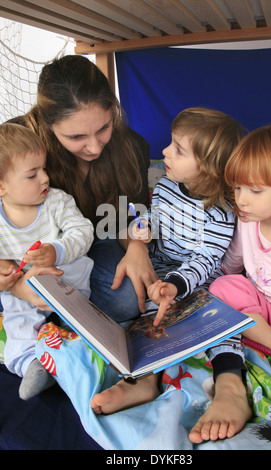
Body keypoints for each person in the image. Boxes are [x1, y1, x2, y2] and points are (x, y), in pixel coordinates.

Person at [90, 107, 253, 443]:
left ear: (207, 170)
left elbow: (207, 259)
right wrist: (142, 230)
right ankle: (145, 379)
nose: (164, 151)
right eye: (171, 144)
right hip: (162, 266)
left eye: (178, 149)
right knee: (149, 314)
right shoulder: (166, 183)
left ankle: (230, 386)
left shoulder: (220, 211)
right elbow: (151, 216)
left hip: (196, 278)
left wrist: (176, 286)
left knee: (218, 318)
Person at [6, 54, 156, 322]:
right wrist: (16, 285)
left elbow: (128, 216)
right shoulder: (16, 144)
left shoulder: (131, 146)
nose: (95, 147)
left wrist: (137, 248)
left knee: (126, 300)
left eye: (104, 128)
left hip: (100, 238)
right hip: (30, 251)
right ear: (48, 125)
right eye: (76, 137)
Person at [193, 124, 271, 442]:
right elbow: (231, 266)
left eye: (255, 191)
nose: (241, 200)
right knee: (224, 287)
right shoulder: (247, 221)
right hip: (270, 315)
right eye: (237, 188)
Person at [0, 122, 94, 400]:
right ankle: (33, 364)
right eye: (32, 175)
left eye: (44, 168)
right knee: (16, 318)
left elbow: (83, 231)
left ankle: (73, 338)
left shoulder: (56, 202)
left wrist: (57, 250)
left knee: (80, 265)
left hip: (63, 279)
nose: (45, 178)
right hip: (22, 289)